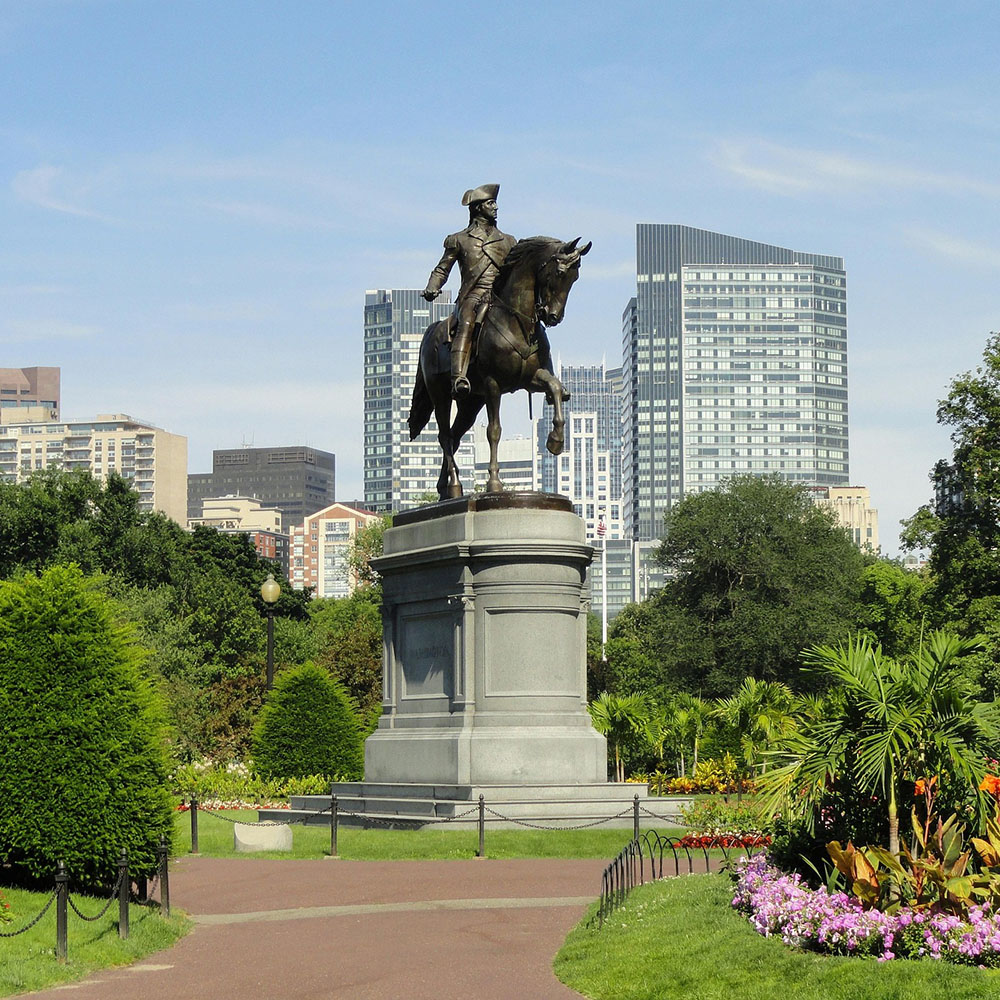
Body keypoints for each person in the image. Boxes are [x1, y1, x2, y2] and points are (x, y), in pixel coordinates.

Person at [422, 184, 516, 398]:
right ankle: (458, 376)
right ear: (477, 208)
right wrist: (432, 287)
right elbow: (442, 269)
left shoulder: (509, 241)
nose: (496, 207)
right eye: (490, 203)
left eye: (495, 202)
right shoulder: (459, 239)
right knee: (466, 322)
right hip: (474, 294)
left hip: (500, 297)